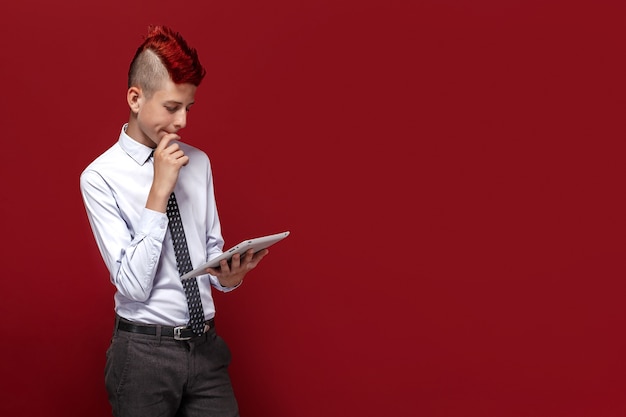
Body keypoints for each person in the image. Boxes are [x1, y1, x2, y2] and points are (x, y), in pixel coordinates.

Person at [79, 25, 267, 417]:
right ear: (135, 97)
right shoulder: (100, 177)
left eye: (189, 107)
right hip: (144, 353)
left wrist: (226, 277)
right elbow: (131, 285)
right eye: (171, 107)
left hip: (206, 348)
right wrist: (159, 192)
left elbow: (211, 248)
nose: (182, 121)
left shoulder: (199, 163)